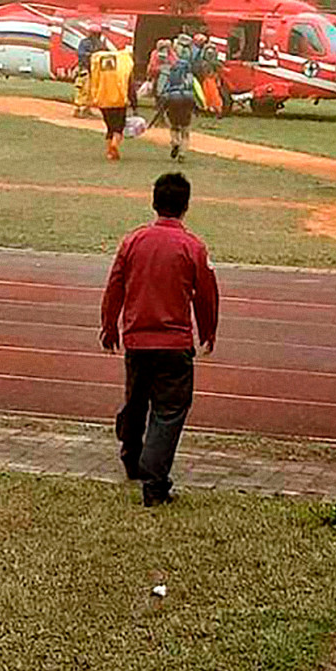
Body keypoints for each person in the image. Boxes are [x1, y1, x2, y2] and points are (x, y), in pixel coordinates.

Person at [100, 173, 219, 506]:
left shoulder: (133, 241)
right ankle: (154, 481)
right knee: (168, 411)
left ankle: (131, 453)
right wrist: (208, 329)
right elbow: (206, 295)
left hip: (137, 341)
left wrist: (109, 325)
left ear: (154, 202)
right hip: (174, 345)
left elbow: (115, 286)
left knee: (136, 401)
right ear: (186, 206)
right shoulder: (193, 247)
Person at [88, 45, 136, 161]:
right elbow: (130, 88)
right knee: (118, 128)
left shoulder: (102, 69)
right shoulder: (124, 71)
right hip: (119, 102)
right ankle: (114, 145)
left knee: (110, 127)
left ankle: (110, 152)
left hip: (103, 101)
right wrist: (134, 104)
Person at [74, 25, 106, 118]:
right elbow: (81, 54)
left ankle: (87, 109)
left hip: (95, 70)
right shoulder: (84, 43)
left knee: (91, 91)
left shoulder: (100, 44)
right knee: (83, 89)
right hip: (85, 69)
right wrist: (92, 55)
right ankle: (79, 109)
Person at [192, 33, 224, 115]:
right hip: (205, 75)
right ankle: (211, 108)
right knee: (208, 92)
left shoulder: (202, 51)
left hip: (206, 75)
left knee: (209, 92)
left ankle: (211, 108)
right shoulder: (200, 51)